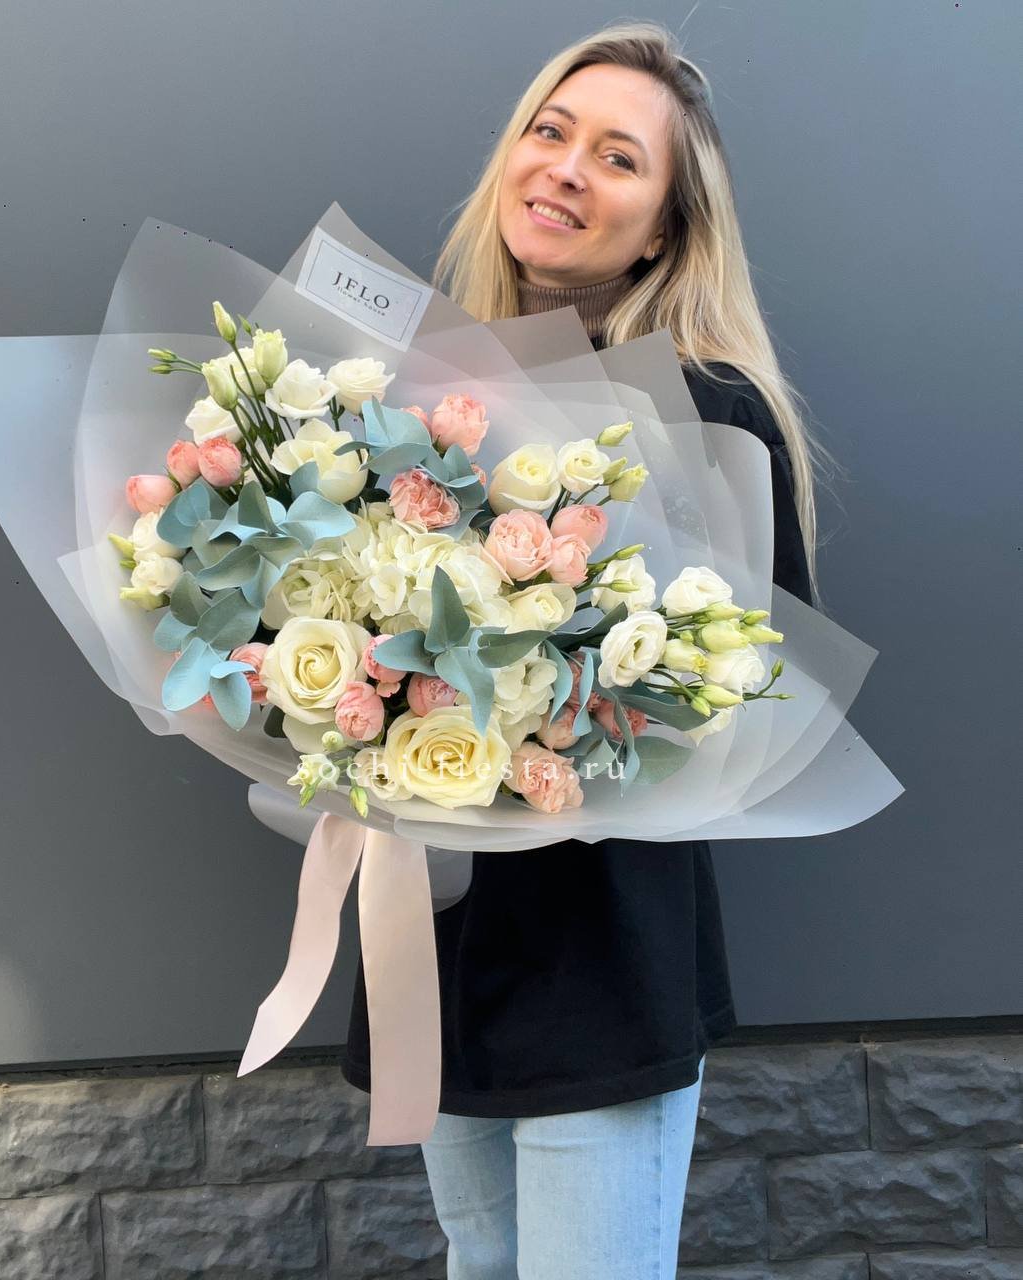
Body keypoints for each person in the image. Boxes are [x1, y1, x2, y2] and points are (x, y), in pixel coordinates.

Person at [342, 21, 831, 1279]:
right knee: (479, 1261)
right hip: (443, 935)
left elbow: (757, 687)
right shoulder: (417, 399)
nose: (564, 168)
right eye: (549, 133)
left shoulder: (705, 410)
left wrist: (570, 701)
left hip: (605, 949)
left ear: (664, 226)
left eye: (618, 157)